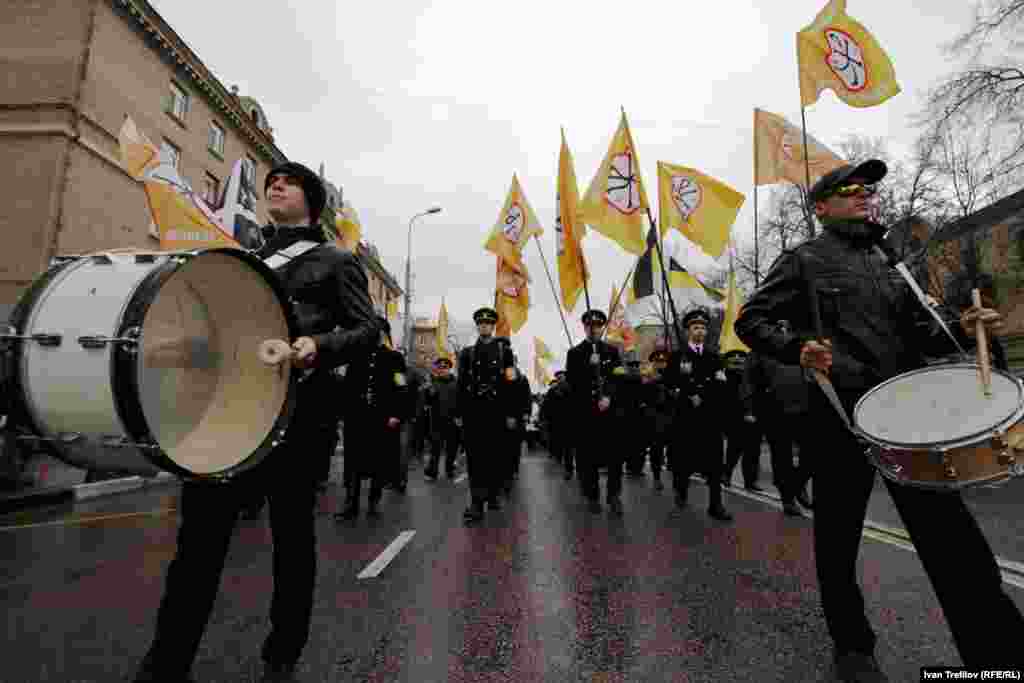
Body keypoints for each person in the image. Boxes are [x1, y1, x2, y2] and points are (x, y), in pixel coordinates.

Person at [735, 159, 1023, 682]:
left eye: (869, 190)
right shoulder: (803, 259)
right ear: (821, 207)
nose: (866, 196)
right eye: (850, 191)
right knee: (838, 539)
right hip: (840, 417)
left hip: (908, 419)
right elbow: (749, 320)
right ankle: (853, 647)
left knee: (954, 539)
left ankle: (997, 660)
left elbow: (922, 332)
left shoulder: (892, 259)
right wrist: (798, 347)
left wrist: (961, 323)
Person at [134, 162, 378, 683]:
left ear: (312, 201)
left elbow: (366, 331)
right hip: (228, 413)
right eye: (271, 181)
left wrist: (316, 346)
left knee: (292, 544)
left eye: (288, 182)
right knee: (197, 545)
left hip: (297, 417)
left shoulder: (336, 261)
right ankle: (167, 661)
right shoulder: (242, 259)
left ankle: (281, 656)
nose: (275, 185)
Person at [662, 309, 733, 522]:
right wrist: (685, 391)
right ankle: (681, 493)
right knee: (683, 461)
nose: (700, 331)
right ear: (687, 331)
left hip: (709, 417)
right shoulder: (677, 357)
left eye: (703, 327)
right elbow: (668, 385)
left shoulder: (714, 356)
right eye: (695, 327)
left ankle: (715, 504)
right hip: (685, 419)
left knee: (714, 463)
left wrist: (702, 394)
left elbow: (721, 385)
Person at [336, 317, 409, 520]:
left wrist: (396, 413)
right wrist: (343, 413)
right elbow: (346, 386)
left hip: (381, 418)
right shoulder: (356, 356)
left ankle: (373, 503)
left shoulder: (395, 358)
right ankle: (350, 504)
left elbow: (401, 388)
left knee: (377, 461)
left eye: (377, 332)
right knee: (352, 462)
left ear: (384, 334)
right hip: (356, 417)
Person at [456, 307, 515, 523]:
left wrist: (510, 413)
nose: (485, 326)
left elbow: (511, 383)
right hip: (474, 413)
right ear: (478, 326)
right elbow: (461, 385)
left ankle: (492, 493)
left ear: (493, 326)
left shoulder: (504, 352)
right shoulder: (467, 353)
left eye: (488, 324)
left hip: (497, 413)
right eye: (481, 324)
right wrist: (459, 412)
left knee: (494, 457)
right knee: (475, 459)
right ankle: (476, 502)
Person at [566, 309, 625, 515]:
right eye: (590, 327)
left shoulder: (612, 352)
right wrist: (586, 366)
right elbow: (571, 385)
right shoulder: (574, 354)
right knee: (587, 458)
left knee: (615, 458)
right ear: (585, 328)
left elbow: (619, 379)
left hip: (610, 414)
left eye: (598, 326)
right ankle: (592, 496)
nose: (594, 330)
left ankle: (614, 495)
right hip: (586, 415)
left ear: (602, 328)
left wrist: (608, 396)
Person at [720, 349, 762, 493]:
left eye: (741, 359)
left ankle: (750, 482)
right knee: (735, 449)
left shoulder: (753, 376)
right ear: (727, 362)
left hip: (755, 417)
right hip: (736, 419)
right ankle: (726, 474)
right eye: (733, 359)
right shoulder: (725, 378)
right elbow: (728, 400)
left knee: (753, 452)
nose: (737, 360)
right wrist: (743, 413)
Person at [424, 356, 459, 480]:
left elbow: (461, 402)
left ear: (449, 368)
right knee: (435, 449)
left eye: (445, 368)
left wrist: (459, 417)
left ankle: (449, 470)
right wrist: (428, 391)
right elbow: (426, 401)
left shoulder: (457, 383)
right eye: (440, 368)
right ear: (437, 369)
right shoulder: (432, 382)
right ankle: (432, 472)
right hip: (436, 421)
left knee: (451, 449)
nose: (443, 370)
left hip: (452, 421)